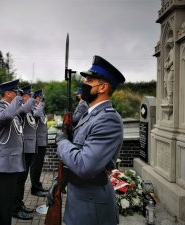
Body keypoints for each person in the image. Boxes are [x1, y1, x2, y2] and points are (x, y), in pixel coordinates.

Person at [55, 55, 125, 225]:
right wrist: (59, 184)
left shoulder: (108, 120)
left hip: (91, 208)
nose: (84, 83)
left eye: (90, 80)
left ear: (103, 87)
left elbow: (84, 165)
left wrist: (62, 141)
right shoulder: (91, 115)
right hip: (79, 198)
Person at [0, 79, 34, 225]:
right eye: (16, 92)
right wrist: (20, 98)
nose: (19, 95)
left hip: (10, 165)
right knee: (2, 205)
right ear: (8, 93)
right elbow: (7, 116)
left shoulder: (12, 109)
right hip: (2, 166)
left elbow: (24, 109)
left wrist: (32, 98)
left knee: (7, 204)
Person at [12, 85, 36, 220]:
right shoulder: (17, 108)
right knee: (19, 180)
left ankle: (19, 204)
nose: (24, 98)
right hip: (21, 150)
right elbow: (24, 109)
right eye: (26, 95)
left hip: (26, 149)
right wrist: (30, 99)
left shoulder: (23, 108)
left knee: (21, 180)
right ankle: (15, 208)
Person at [30, 89, 48, 197]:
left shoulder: (39, 107)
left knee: (39, 165)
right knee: (35, 165)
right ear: (36, 97)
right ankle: (34, 188)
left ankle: (37, 184)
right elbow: (36, 116)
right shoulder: (32, 107)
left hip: (42, 140)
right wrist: (41, 104)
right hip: (36, 142)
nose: (41, 99)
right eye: (40, 97)